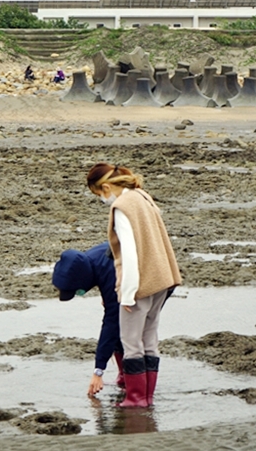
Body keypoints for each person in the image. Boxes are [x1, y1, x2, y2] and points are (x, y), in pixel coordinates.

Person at [86, 163, 182, 408]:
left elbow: (129, 254)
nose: (102, 200)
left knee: (131, 342)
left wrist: (126, 294)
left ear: (106, 187)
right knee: (149, 338)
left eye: (99, 194)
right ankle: (147, 398)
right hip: (163, 278)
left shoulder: (121, 207)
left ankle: (136, 399)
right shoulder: (143, 196)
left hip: (140, 282)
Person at [52, 242, 125, 397]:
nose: (80, 293)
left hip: (157, 281)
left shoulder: (109, 272)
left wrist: (98, 371)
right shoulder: (87, 261)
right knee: (119, 326)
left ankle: (136, 393)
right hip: (123, 278)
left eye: (78, 292)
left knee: (129, 332)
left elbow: (112, 324)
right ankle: (123, 377)